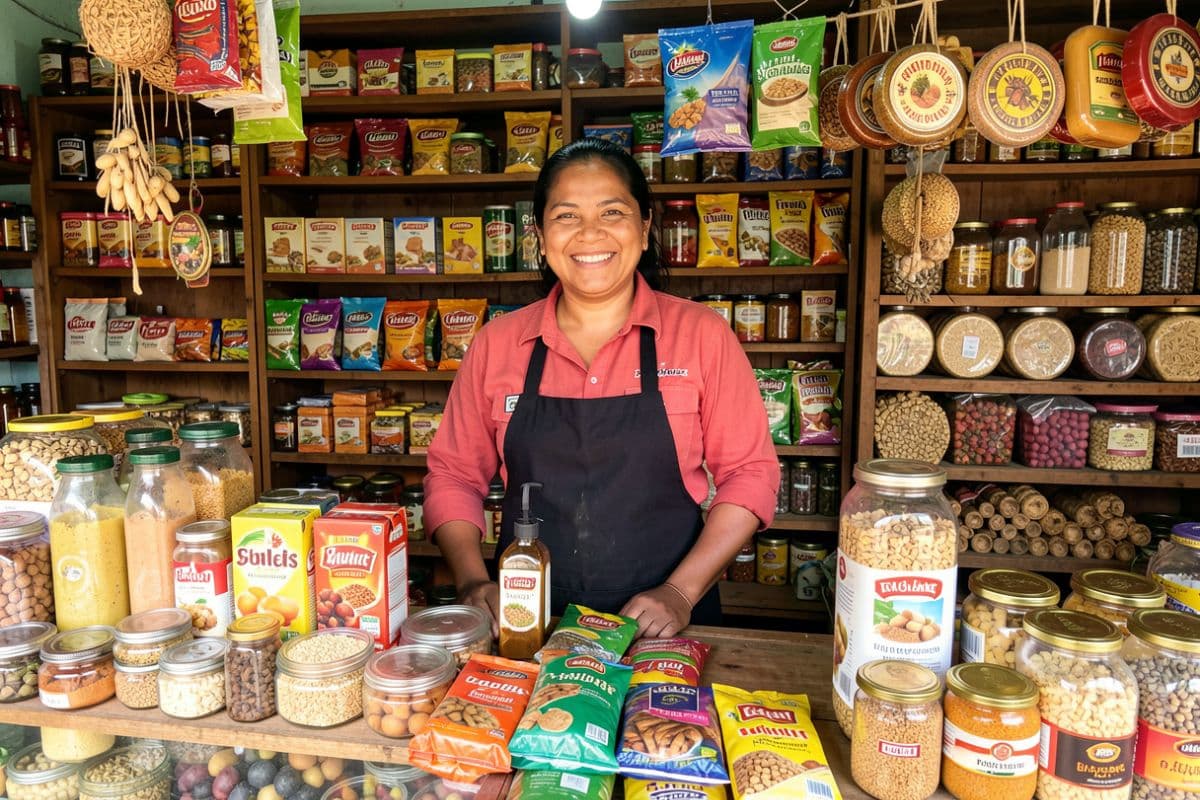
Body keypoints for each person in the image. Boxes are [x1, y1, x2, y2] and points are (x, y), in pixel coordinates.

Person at [424, 138, 779, 638]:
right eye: (566, 216)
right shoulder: (497, 344)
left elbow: (750, 475)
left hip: (667, 628)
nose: (590, 234)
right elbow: (454, 475)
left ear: (644, 227)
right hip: (529, 626)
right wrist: (471, 582)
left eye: (612, 211)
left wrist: (680, 592)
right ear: (542, 238)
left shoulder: (702, 336)